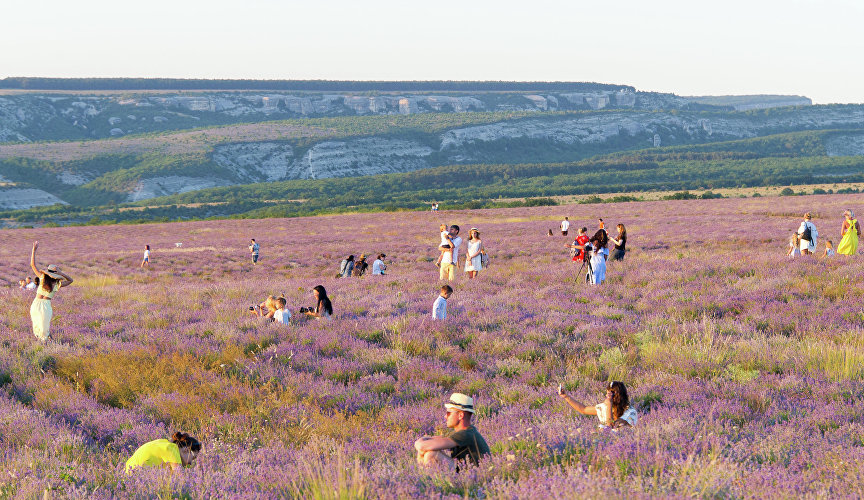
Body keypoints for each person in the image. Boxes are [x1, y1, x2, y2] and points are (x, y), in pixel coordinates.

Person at [414, 393, 490, 470]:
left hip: (473, 476)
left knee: (431, 454)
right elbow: (431, 440)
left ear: (460, 415)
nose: (445, 416)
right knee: (426, 451)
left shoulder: (466, 434)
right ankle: (424, 478)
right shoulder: (462, 432)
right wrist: (422, 444)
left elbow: (422, 446)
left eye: (449, 413)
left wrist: (419, 444)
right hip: (464, 471)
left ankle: (427, 480)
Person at [29, 241, 74, 343]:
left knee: (41, 327)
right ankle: (50, 343)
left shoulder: (50, 281)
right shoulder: (47, 280)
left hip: (40, 304)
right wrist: (61, 273)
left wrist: (34, 250)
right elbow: (71, 280)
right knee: (40, 326)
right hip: (40, 305)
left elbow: (32, 265)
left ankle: (48, 343)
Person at [558, 381, 638, 429]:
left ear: (620, 395)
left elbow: (611, 427)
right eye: (608, 393)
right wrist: (566, 397)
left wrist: (609, 406)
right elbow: (583, 409)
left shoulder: (630, 412)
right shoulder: (604, 406)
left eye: (612, 393)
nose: (609, 396)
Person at [125, 432, 201, 473]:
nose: (191, 462)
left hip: (127, 474)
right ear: (186, 451)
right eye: (193, 457)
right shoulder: (171, 449)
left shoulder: (164, 443)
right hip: (138, 476)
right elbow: (180, 476)